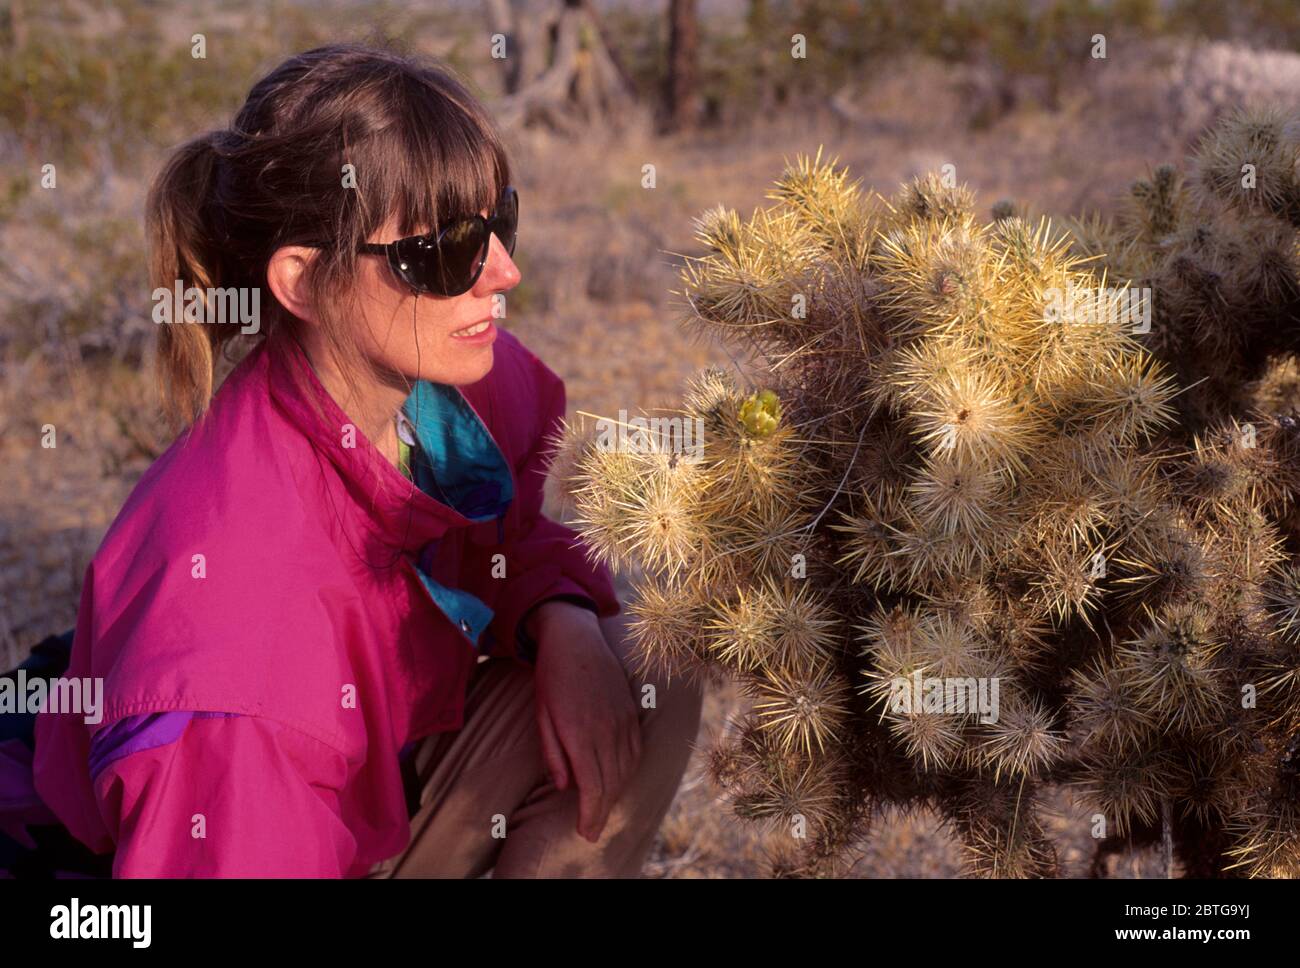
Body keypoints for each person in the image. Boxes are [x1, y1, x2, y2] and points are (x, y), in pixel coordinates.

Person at [1, 43, 702, 878]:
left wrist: (564, 620)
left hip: (363, 778)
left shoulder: (440, 390)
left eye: (496, 224)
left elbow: (504, 539)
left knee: (649, 664)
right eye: (441, 252)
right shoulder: (236, 668)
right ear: (302, 281)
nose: (503, 274)